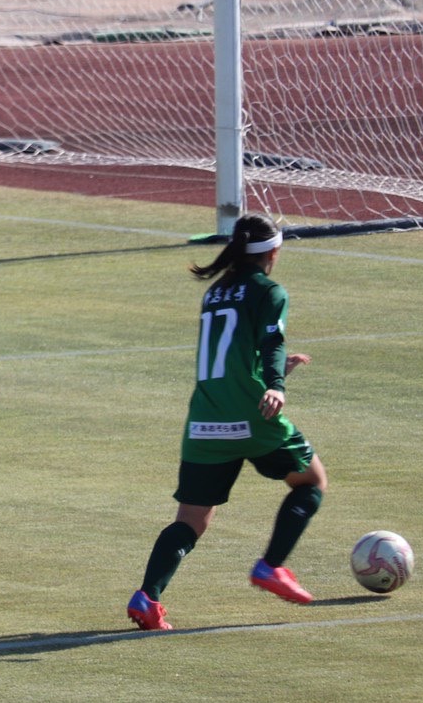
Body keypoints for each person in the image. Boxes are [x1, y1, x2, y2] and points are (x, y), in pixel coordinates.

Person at [126, 213, 326, 631]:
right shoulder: (270, 291)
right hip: (251, 417)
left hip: (204, 421)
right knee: (311, 482)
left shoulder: (215, 293)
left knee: (191, 521)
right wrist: (275, 384)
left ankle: (147, 597)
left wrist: (270, 373)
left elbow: (231, 353)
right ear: (273, 252)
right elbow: (271, 340)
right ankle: (271, 567)